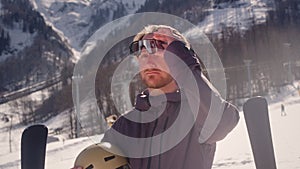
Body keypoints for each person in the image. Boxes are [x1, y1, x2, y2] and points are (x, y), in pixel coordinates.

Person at [73, 25, 239, 169]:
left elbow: (220, 124)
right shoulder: (124, 126)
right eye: (144, 56)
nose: (150, 62)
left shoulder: (197, 114)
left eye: (158, 54)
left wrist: (184, 60)